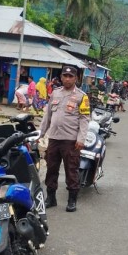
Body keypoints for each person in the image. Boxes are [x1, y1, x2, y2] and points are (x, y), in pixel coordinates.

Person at [40, 66, 90, 212]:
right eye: (65, 76)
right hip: (54, 138)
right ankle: (51, 198)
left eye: (70, 76)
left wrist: (81, 139)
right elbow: (47, 116)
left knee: (71, 170)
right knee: (51, 168)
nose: (67, 78)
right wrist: (41, 134)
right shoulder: (55, 93)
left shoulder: (82, 96)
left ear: (76, 78)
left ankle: (72, 200)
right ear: (61, 77)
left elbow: (84, 119)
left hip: (71, 141)